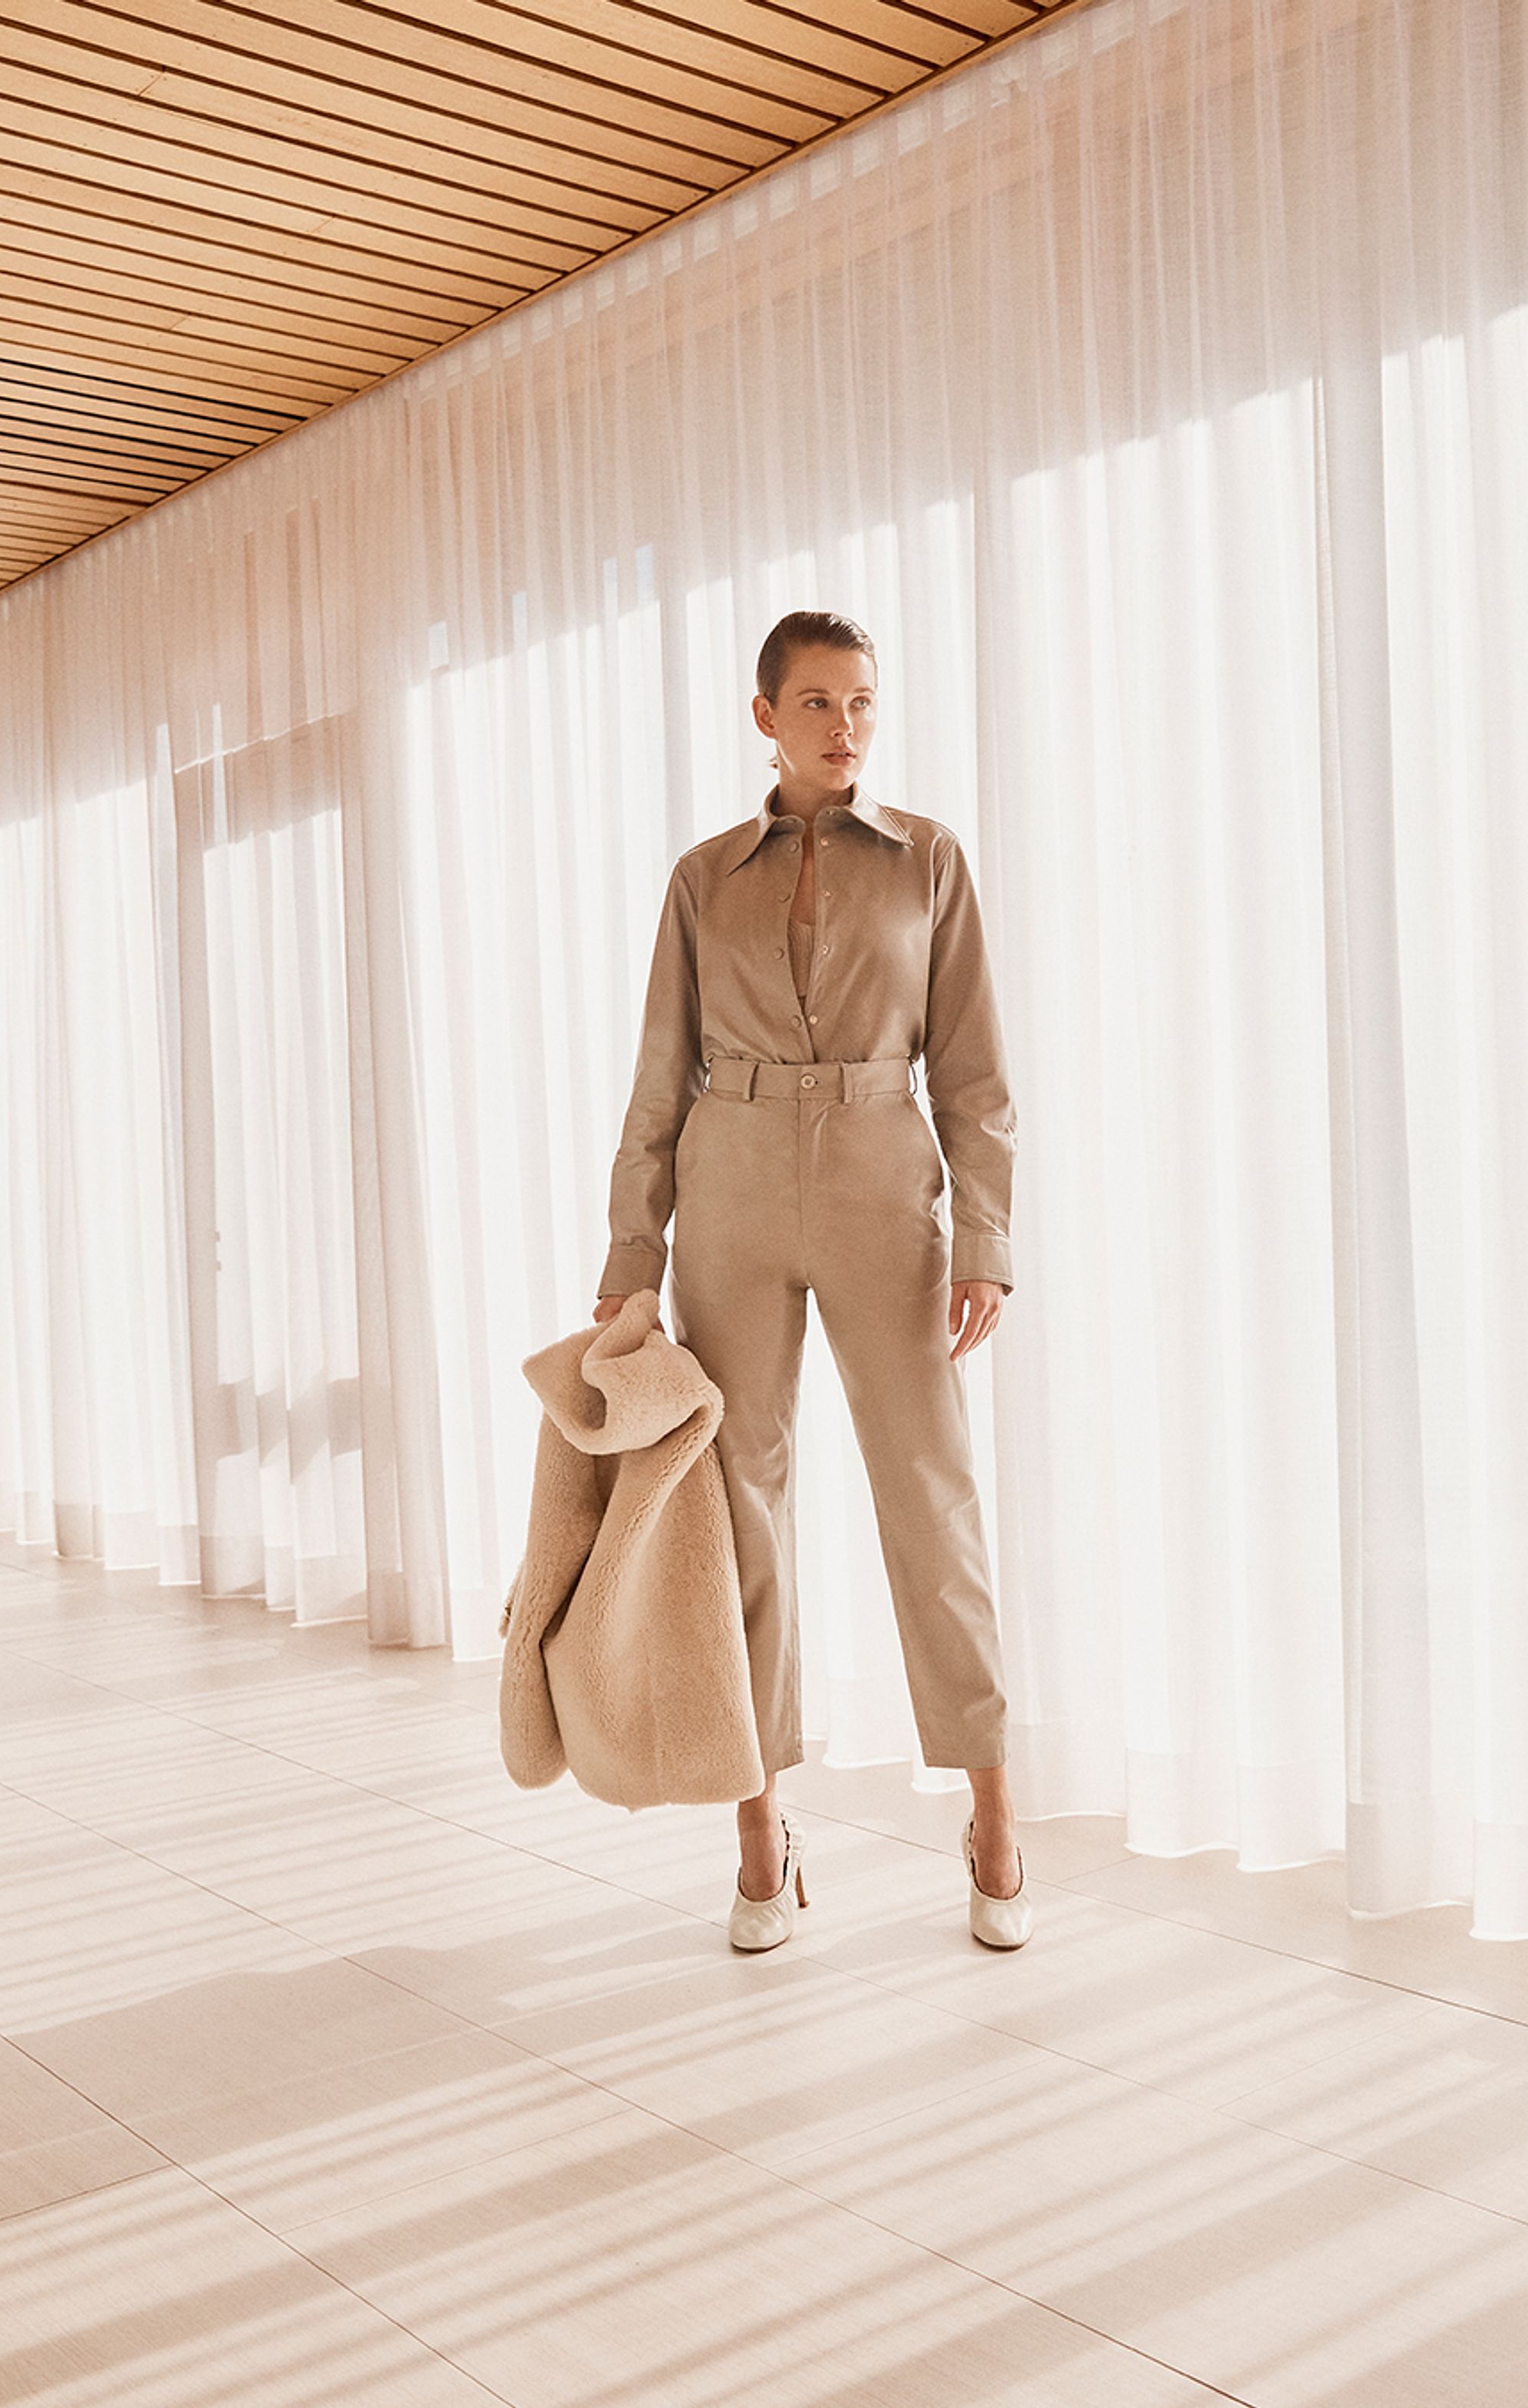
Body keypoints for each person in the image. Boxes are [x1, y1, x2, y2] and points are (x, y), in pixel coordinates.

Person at [593, 610, 1033, 1950]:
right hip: (727, 1185)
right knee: (739, 1515)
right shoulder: (699, 879)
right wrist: (630, 1267)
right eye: (820, 703)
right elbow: (658, 1081)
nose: (847, 727)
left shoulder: (929, 864)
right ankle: (759, 1831)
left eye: (863, 703)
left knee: (931, 1499)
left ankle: (997, 1815)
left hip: (881, 1177)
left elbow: (973, 1073)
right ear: (765, 715)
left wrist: (987, 1239)